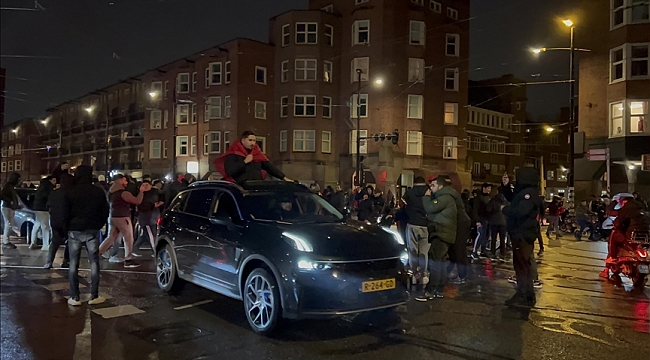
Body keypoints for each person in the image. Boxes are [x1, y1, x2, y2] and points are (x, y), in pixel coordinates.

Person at [62, 165, 109, 306]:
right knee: (94, 262)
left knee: (73, 263)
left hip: (74, 229)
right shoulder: (97, 192)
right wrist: (98, 224)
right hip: (92, 229)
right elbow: (105, 211)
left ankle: (75, 296)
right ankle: (94, 295)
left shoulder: (70, 191)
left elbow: (65, 212)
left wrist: (66, 228)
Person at [501, 168, 543, 306]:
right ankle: (527, 294)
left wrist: (504, 209)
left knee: (522, 265)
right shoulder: (525, 192)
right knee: (523, 264)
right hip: (521, 232)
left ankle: (523, 293)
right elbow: (513, 198)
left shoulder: (529, 194)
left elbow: (520, 211)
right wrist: (506, 186)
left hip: (522, 233)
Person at [98, 174, 150, 268]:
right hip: (123, 217)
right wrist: (141, 191)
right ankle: (128, 260)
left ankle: (96, 254)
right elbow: (137, 201)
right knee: (128, 238)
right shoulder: (123, 193)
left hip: (113, 216)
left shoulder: (111, 191)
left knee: (111, 237)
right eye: (125, 180)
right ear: (120, 180)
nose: (126, 182)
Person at [420, 175, 458, 300]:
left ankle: (430, 291)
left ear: (441, 186)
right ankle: (440, 289)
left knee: (434, 263)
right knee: (440, 263)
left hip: (441, 233)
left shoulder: (444, 198)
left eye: (433, 185)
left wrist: (426, 197)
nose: (431, 188)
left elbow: (430, 208)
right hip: (445, 234)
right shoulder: (447, 197)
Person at [215, 131, 292, 185]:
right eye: (250, 140)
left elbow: (269, 167)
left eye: (254, 141)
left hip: (257, 186)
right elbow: (230, 172)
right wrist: (244, 162)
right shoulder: (233, 154)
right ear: (243, 140)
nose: (253, 143)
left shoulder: (257, 153)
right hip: (240, 188)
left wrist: (284, 177)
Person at [601, 196, 647, 278]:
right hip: (645, 237)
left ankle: (613, 257)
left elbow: (618, 221)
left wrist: (616, 224)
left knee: (614, 235)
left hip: (630, 235)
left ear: (625, 202)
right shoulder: (642, 210)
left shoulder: (627, 209)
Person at [403, 176, 431, 291]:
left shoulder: (409, 193)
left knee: (413, 250)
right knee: (424, 251)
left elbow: (404, 205)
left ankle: (415, 275)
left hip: (412, 224)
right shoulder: (428, 191)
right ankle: (424, 275)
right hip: (425, 224)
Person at [45, 174, 73, 269]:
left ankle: (49, 261)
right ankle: (66, 261)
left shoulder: (54, 193)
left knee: (54, 242)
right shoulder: (70, 193)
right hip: (67, 221)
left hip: (55, 220)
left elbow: (48, 205)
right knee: (69, 242)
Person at [132, 179, 164, 257]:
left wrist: (161, 202)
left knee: (147, 235)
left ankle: (134, 249)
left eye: (147, 185)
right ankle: (155, 251)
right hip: (146, 219)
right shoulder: (140, 195)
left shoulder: (156, 192)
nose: (145, 187)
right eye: (143, 185)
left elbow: (163, 198)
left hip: (154, 217)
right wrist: (153, 205)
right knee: (151, 236)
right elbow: (141, 206)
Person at [31, 176, 55, 250]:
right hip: (43, 209)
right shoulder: (49, 187)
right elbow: (49, 198)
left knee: (37, 225)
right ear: (50, 180)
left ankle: (33, 243)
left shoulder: (41, 187)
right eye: (54, 180)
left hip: (36, 208)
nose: (55, 182)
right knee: (45, 227)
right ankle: (45, 245)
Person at [471, 183, 493, 260]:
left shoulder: (489, 198)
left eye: (490, 188)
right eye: (488, 188)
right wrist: (477, 220)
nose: (489, 190)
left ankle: (483, 250)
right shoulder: (479, 198)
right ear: (484, 188)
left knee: (486, 235)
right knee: (480, 235)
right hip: (481, 219)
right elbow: (475, 210)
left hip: (488, 219)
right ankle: (474, 251)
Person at [1, 172, 21, 249]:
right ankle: (5, 241)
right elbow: (2, 195)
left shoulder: (10, 186)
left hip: (10, 207)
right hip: (7, 207)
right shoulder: (8, 186)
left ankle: (6, 241)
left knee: (9, 224)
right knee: (8, 224)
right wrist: (10, 201)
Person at [487, 191, 508, 261]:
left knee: (493, 238)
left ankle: (493, 252)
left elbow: (488, 210)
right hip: (503, 222)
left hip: (494, 222)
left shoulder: (493, 201)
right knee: (502, 239)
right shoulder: (505, 202)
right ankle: (503, 253)